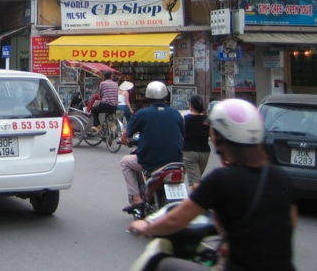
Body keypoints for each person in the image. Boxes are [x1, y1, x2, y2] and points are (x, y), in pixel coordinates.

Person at [129, 98, 297, 271]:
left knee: (160, 263)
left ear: (218, 136)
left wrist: (147, 226)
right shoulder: (282, 177)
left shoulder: (221, 179)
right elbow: (288, 223)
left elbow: (176, 220)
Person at [120, 81, 184, 211]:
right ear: (166, 96)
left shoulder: (142, 114)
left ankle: (137, 198)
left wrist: (124, 140)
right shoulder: (176, 113)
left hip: (152, 162)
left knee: (125, 162)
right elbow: (182, 134)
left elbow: (126, 134)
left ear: (148, 97)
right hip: (176, 162)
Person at [182, 95, 211, 187]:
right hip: (204, 151)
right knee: (197, 179)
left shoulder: (185, 119)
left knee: (195, 181)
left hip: (189, 151)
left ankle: (196, 200)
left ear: (190, 105)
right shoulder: (208, 120)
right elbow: (212, 135)